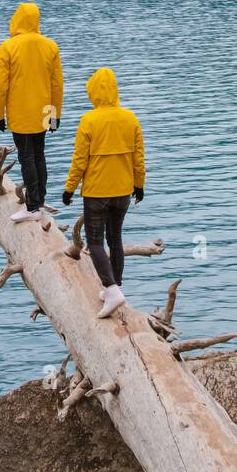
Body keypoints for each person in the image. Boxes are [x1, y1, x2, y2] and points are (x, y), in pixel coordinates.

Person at [62, 68, 145, 318]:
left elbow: (80, 161)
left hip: (97, 192)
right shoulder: (130, 118)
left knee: (95, 242)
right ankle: (116, 286)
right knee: (115, 239)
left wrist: (69, 188)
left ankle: (110, 289)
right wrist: (139, 185)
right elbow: (138, 157)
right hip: (123, 191)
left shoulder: (89, 120)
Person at [0, 2, 64, 222]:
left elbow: (0, 86)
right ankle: (38, 202)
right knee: (39, 155)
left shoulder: (8, 46)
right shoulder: (50, 46)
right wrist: (55, 115)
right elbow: (57, 85)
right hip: (43, 111)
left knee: (26, 158)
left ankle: (33, 208)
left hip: (20, 112)